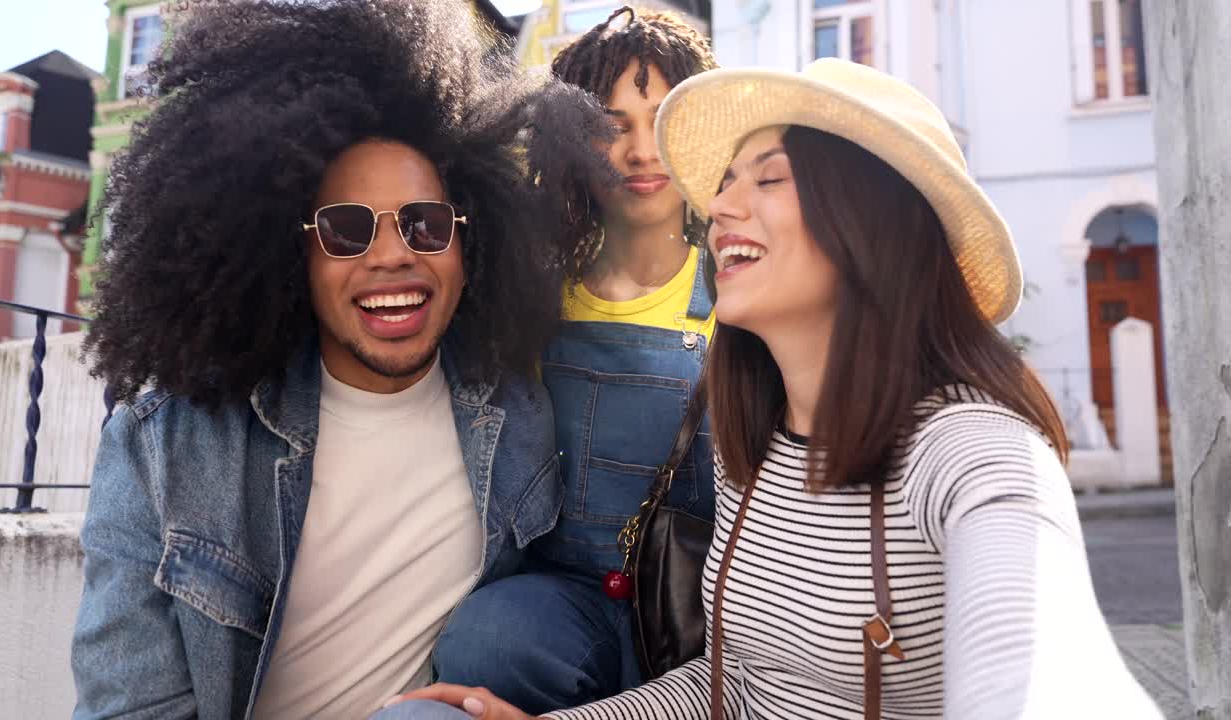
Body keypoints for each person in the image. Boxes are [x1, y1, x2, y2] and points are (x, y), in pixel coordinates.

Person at [392, 60, 1165, 719]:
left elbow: (1045, 670)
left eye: (769, 178)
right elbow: (731, 687)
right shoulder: (751, 443)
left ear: (870, 222)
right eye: (726, 183)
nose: (721, 207)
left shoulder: (973, 451)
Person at [68, 1, 610, 718]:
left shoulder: (516, 415)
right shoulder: (166, 449)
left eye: (425, 223)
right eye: (346, 229)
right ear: (292, 253)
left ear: (468, 243)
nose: (393, 253)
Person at [431, 7, 720, 713]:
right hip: (564, 600)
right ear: (569, 145)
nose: (641, 152)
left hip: (700, 601)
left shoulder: (739, 293)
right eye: (611, 126)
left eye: (662, 120)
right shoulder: (533, 297)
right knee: (483, 641)